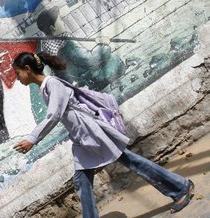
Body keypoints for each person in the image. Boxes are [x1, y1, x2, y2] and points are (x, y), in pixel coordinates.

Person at [13, 52, 195, 217]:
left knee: (132, 161)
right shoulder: (46, 87)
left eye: (17, 73)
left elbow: (54, 115)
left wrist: (32, 139)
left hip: (92, 132)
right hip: (82, 137)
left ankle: (180, 188)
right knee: (81, 180)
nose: (17, 78)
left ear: (27, 69)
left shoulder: (52, 84)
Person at [36, 6, 125, 91]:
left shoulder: (48, 48)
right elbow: (90, 59)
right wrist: (103, 45)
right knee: (114, 60)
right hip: (85, 84)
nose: (63, 23)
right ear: (53, 28)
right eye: (60, 20)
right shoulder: (66, 45)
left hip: (70, 84)